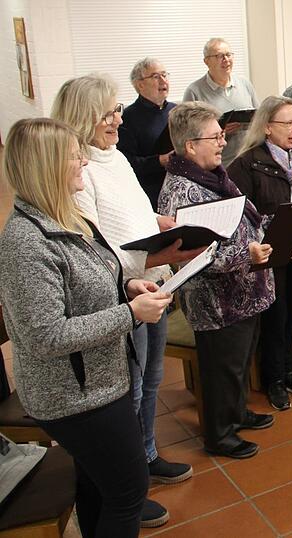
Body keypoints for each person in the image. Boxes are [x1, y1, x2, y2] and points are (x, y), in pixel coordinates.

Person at [0, 117, 172, 537]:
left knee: (100, 487)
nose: (84, 162)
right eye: (74, 156)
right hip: (73, 395)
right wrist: (130, 314)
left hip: (100, 381)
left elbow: (89, 279)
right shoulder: (26, 242)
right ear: (45, 166)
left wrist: (126, 286)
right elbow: (45, 335)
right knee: (129, 492)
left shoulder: (68, 217)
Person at [51, 73, 209, 528]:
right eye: (108, 113)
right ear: (82, 116)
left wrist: (162, 222)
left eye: (118, 110)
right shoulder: (79, 171)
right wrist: (161, 254)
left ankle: (147, 455)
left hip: (149, 283)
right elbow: (94, 247)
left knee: (152, 380)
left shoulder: (115, 156)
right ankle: (128, 486)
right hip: (121, 295)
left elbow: (132, 213)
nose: (118, 120)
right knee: (131, 390)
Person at [158, 101, 276, 460]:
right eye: (215, 137)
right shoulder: (183, 191)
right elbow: (194, 254)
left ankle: (236, 413)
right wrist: (246, 254)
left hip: (243, 291)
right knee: (221, 369)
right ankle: (219, 434)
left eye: (222, 135)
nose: (224, 142)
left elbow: (240, 219)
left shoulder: (211, 174)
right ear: (191, 146)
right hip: (216, 301)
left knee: (238, 363)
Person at [228, 96, 292, 410]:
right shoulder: (247, 163)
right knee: (274, 316)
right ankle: (274, 380)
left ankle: (287, 370)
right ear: (267, 127)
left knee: (291, 311)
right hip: (268, 250)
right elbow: (240, 214)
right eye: (287, 123)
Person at [182, 38, 259, 168]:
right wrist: (218, 131)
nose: (226, 59)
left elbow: (259, 118)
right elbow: (189, 135)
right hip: (218, 166)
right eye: (219, 56)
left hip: (249, 160)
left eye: (228, 54)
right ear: (206, 61)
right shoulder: (194, 91)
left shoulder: (244, 83)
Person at [117, 57, 175, 209]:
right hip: (150, 194)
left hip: (179, 188)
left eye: (164, 75)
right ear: (140, 84)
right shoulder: (127, 118)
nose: (163, 80)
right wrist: (159, 161)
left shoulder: (177, 111)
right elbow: (127, 162)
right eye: (156, 76)